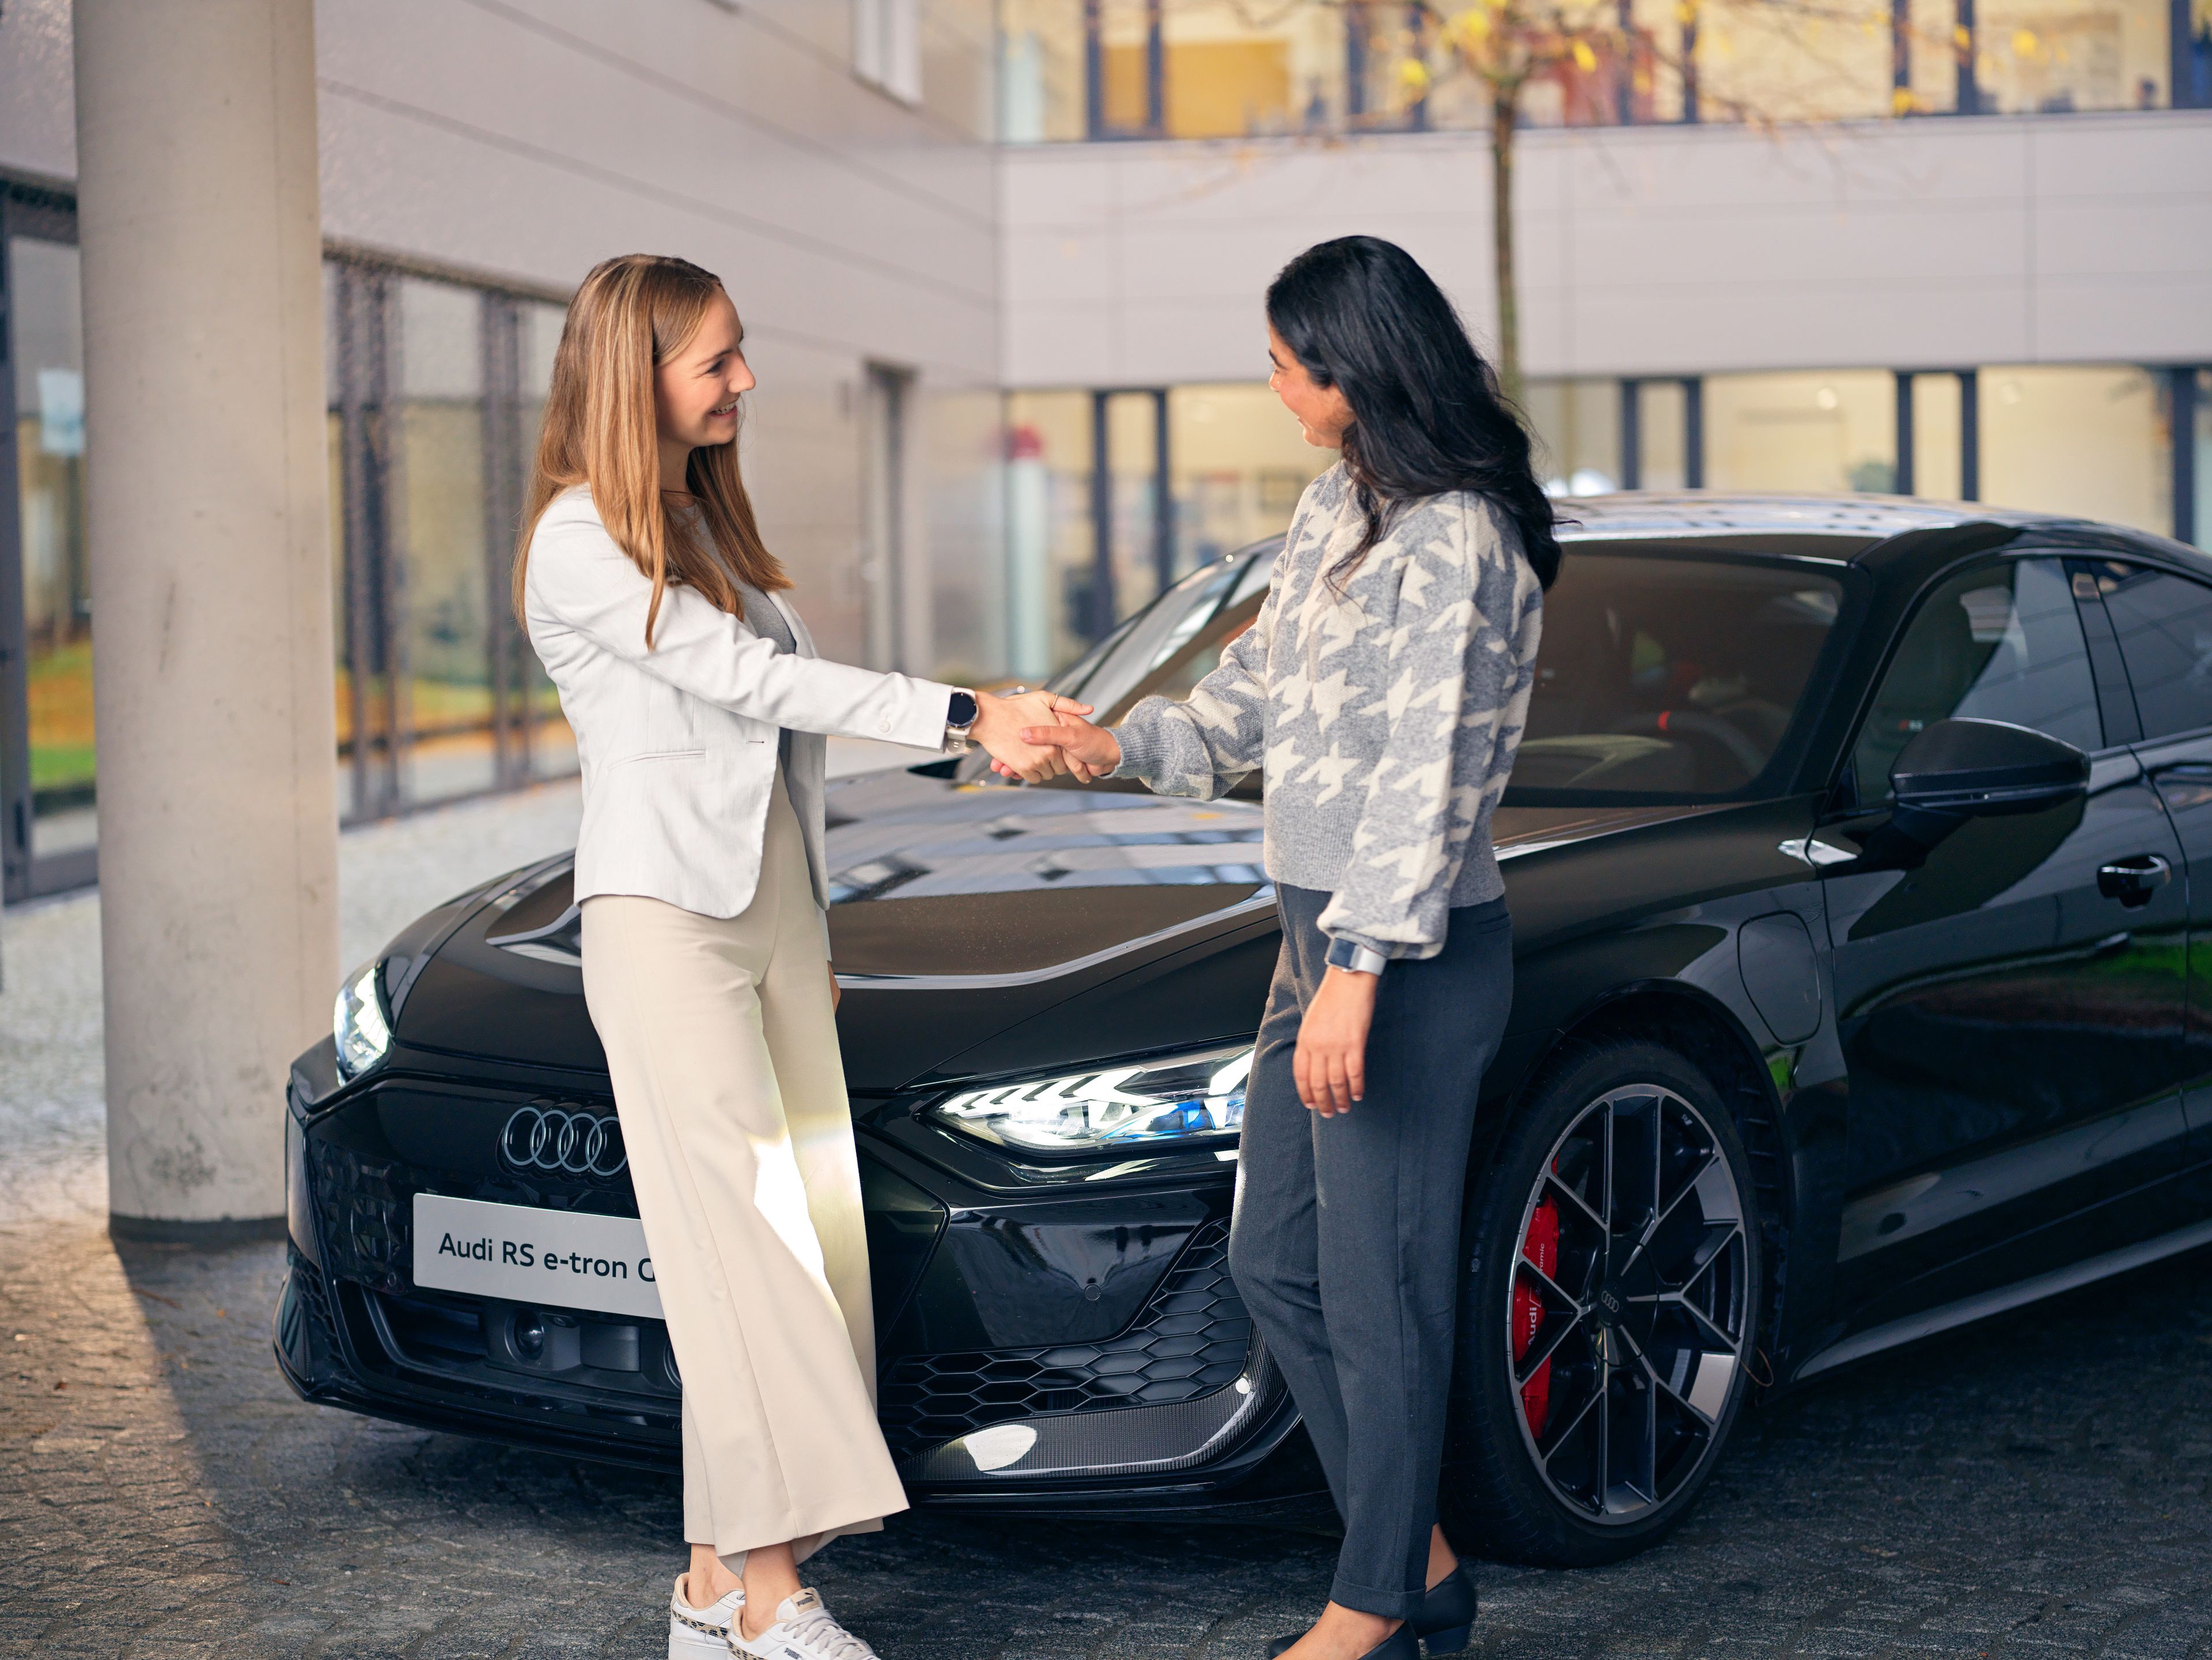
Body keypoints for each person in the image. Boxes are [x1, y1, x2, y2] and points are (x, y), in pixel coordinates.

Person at [516, 254, 1082, 1660]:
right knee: (743, 1252)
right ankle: (775, 1603)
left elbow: (774, 749)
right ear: (634, 373)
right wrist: (967, 710)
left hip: (767, 918)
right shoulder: (577, 539)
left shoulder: (698, 527)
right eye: (716, 360)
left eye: (740, 352)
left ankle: (711, 1586)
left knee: (810, 1240)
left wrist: (802, 927)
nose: (745, 380)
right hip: (664, 923)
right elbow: (749, 684)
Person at [1014, 236, 1557, 1660]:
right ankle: (1420, 1561)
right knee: (1277, 1265)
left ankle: (1372, 1605)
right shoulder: (1339, 505)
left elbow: (1427, 779)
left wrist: (1359, 973)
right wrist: (1111, 744)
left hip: (1407, 953)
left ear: (1354, 369)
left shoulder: (1462, 538)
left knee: (1382, 1296)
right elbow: (1252, 698)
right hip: (1313, 939)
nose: (1271, 387)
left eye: (1282, 364)